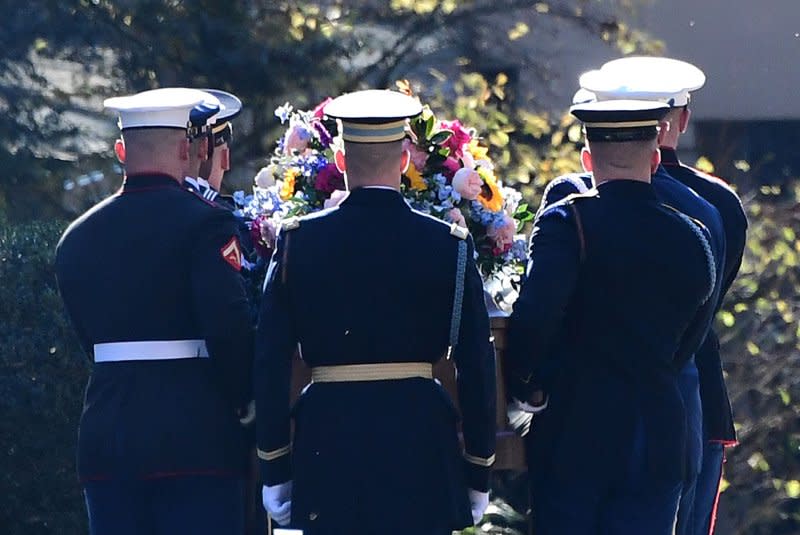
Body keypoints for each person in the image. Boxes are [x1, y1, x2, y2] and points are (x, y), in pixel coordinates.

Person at [254, 89, 496, 535]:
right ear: (404, 160)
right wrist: (478, 469)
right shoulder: (448, 245)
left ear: (341, 161)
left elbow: (269, 361)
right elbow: (476, 365)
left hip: (330, 442)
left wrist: (274, 465)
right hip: (420, 444)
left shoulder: (297, 242)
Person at [506, 99, 717, 535]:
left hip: (575, 430)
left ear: (587, 159)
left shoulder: (565, 222)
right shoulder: (693, 235)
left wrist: (525, 385)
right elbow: (692, 338)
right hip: (659, 432)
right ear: (656, 157)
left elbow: (534, 318)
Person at [55, 87, 254, 535]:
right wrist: (245, 403)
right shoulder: (207, 223)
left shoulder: (77, 237)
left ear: (121, 150)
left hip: (108, 437)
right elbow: (229, 329)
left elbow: (88, 339)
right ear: (187, 150)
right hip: (196, 438)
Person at [552, 60, 733, 535]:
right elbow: (703, 311)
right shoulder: (715, 206)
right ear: (682, 120)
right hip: (678, 394)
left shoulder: (570, 201)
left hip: (581, 406)